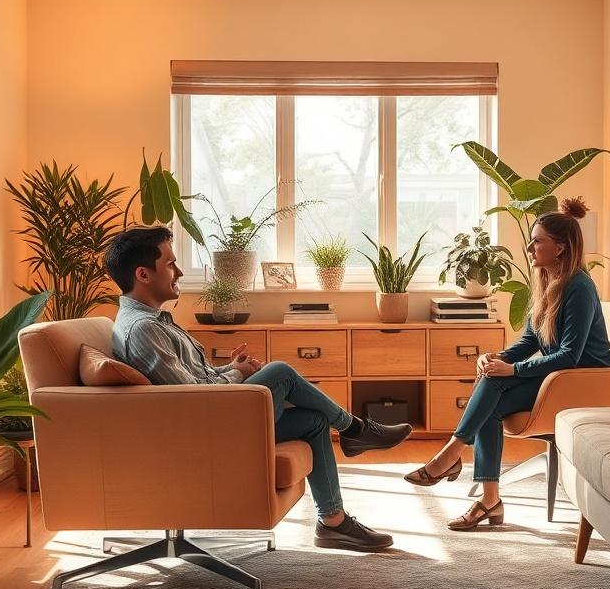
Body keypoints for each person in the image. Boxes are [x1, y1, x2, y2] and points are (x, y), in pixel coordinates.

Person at [104, 226, 413, 552]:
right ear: (143, 274)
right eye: (170, 264)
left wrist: (231, 368)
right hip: (203, 433)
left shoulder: (153, 322)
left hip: (210, 417)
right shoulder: (142, 330)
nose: (179, 271)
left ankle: (333, 523)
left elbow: (196, 379)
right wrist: (237, 374)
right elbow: (191, 397)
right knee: (280, 372)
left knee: (313, 420)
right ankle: (355, 429)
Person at [404, 197, 610, 530]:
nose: (529, 247)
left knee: (496, 384)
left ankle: (452, 456)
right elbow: (532, 340)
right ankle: (488, 499)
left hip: (580, 382)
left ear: (559, 248)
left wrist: (512, 370)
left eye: (537, 241)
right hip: (556, 376)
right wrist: (497, 358)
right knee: (492, 386)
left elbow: (571, 355)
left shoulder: (579, 288)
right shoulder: (548, 282)